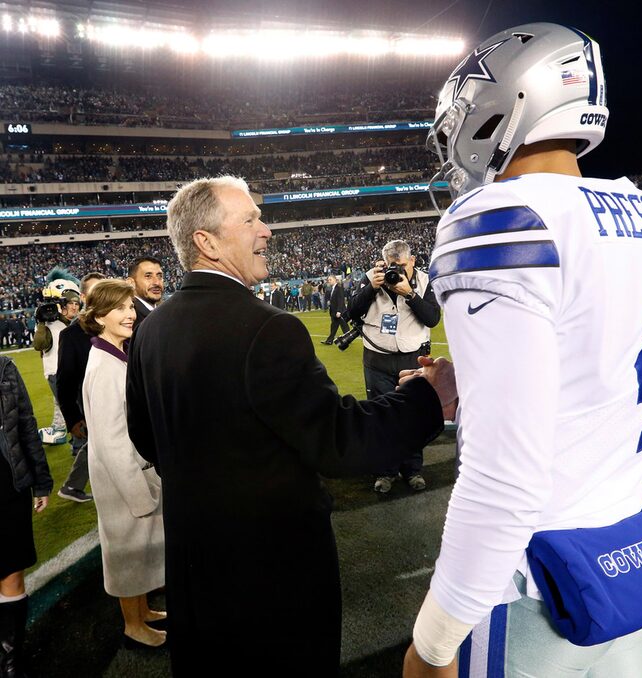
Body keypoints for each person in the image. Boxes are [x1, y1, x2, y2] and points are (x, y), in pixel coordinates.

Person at [403, 23, 642, 678]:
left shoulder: (495, 218)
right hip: (626, 555)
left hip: (534, 575)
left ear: (503, 105)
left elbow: (503, 475)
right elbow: (591, 360)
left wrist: (433, 642)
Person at [125, 176, 454, 675]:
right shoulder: (267, 326)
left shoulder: (151, 329)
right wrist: (427, 396)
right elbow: (342, 443)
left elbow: (145, 436)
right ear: (207, 242)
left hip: (195, 568)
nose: (267, 230)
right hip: (270, 581)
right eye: (251, 219)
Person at [80, 279, 166, 649]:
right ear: (99, 316)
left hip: (133, 475)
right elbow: (111, 442)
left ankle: (142, 610)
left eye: (131, 307)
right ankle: (133, 624)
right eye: (121, 308)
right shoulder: (102, 365)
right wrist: (139, 495)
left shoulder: (114, 353)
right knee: (127, 556)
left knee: (139, 552)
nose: (130, 314)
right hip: (122, 482)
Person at [349, 240, 440, 493]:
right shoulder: (372, 277)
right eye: (392, 265)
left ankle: (412, 470)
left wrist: (409, 294)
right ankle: (385, 472)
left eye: (401, 265)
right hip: (377, 359)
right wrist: (371, 288)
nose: (396, 271)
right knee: (381, 417)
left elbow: (432, 318)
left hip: (413, 359)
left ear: (412, 261)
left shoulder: (423, 281)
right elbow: (351, 311)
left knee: (414, 416)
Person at [0, 355, 52, 677]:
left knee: (11, 575)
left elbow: (27, 425)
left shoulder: (5, 369)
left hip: (8, 486)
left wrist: (42, 481)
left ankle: (9, 659)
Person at [56, 272, 105, 504]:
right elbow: (65, 381)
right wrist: (72, 418)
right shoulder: (72, 335)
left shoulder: (124, 324)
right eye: (95, 291)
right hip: (93, 408)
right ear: (84, 296)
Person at [33, 269, 81, 445]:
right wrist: (40, 323)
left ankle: (63, 433)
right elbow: (39, 344)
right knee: (75, 414)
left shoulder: (70, 322)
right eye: (70, 303)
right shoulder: (49, 323)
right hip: (58, 373)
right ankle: (78, 448)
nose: (75, 307)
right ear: (61, 304)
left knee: (71, 410)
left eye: (77, 303)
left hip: (69, 372)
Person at [126, 257, 163, 332]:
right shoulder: (129, 319)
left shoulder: (166, 312)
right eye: (148, 276)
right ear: (131, 283)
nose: (157, 282)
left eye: (159, 276)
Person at [320, 274, 349, 345]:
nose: (329, 281)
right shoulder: (332, 288)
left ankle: (347, 338)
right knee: (335, 326)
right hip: (334, 312)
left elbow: (341, 300)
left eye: (330, 280)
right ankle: (330, 340)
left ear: (335, 280)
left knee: (343, 325)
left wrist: (339, 311)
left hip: (339, 311)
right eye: (328, 280)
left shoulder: (339, 288)